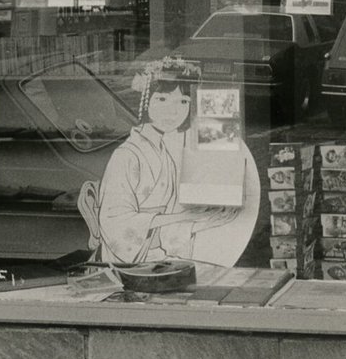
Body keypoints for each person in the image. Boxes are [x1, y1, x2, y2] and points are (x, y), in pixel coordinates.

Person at [95, 57, 255, 264]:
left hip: (156, 255)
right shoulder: (126, 156)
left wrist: (208, 218)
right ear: (145, 101)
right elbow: (115, 222)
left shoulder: (165, 153)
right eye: (162, 99)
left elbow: (172, 223)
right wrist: (187, 218)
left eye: (184, 101)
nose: (173, 110)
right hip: (132, 261)